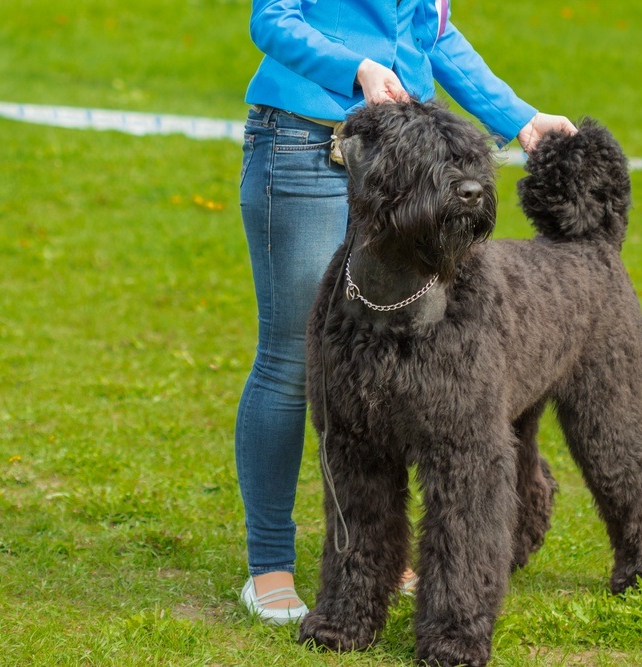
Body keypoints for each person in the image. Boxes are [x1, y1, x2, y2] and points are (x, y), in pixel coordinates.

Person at [235, 0, 577, 625]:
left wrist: (520, 119)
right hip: (307, 144)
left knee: (410, 365)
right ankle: (270, 568)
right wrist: (357, 68)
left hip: (409, 167)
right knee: (292, 363)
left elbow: (436, 36)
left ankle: (380, 559)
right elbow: (272, 20)